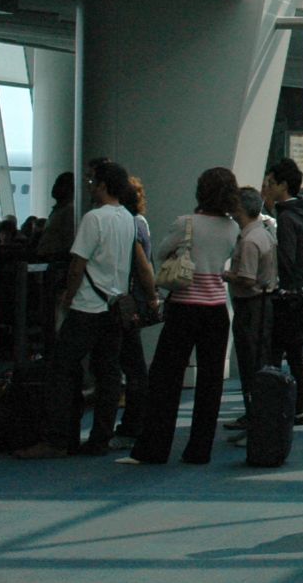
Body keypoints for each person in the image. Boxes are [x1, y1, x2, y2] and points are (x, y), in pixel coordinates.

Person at [19, 160, 158, 459]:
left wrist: (68, 296)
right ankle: (100, 438)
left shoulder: (93, 219)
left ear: (105, 185)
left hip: (87, 306)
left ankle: (58, 437)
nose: (91, 186)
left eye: (94, 182)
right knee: (108, 373)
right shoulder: (128, 219)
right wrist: (152, 295)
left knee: (62, 368)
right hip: (115, 307)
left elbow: (78, 264)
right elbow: (139, 264)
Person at [124, 167, 241, 465]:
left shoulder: (186, 223)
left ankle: (154, 448)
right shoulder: (232, 229)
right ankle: (199, 450)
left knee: (166, 379)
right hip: (216, 310)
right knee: (211, 382)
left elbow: (161, 254)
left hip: (185, 307)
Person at [262, 159, 303, 423]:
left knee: (274, 352)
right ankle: (298, 405)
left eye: (270, 183)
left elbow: (285, 258)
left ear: (283, 185)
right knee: (295, 352)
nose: (266, 187)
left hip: (286, 292)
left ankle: (274, 405)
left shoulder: (284, 217)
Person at [224, 185, 277, 426]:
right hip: (264, 302)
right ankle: (260, 413)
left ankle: (254, 414)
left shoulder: (248, 240)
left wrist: (227, 276)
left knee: (249, 362)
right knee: (259, 359)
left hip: (250, 305)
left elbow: (246, 279)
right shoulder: (265, 233)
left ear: (241, 208)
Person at [112, 175, 153, 442]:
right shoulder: (139, 223)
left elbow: (141, 265)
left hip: (124, 301)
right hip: (132, 300)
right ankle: (134, 423)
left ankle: (133, 424)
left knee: (132, 365)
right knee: (133, 364)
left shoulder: (126, 224)